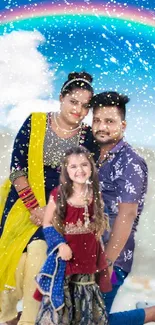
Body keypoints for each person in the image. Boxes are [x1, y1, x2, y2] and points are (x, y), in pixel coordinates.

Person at [0, 72, 96, 325]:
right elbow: (17, 168)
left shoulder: (87, 136)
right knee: (11, 256)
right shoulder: (36, 122)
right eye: (74, 102)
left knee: (39, 256)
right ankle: (8, 316)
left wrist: (51, 211)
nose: (79, 110)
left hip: (61, 207)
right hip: (22, 202)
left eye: (85, 105)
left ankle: (28, 320)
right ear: (61, 98)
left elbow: (84, 179)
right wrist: (34, 207)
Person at [91, 91, 155, 324]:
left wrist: (106, 263)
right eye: (97, 120)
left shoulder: (131, 163)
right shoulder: (90, 156)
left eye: (109, 121)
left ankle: (150, 313)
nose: (101, 127)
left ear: (123, 125)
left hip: (113, 259)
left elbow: (126, 215)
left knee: (93, 321)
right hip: (83, 252)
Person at [34, 146, 111, 325]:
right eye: (73, 166)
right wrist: (61, 245)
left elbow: (99, 225)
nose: (80, 170)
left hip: (89, 259)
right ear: (66, 171)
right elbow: (47, 224)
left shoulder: (96, 194)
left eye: (84, 165)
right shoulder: (59, 195)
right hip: (65, 259)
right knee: (63, 306)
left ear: (91, 167)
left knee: (85, 306)